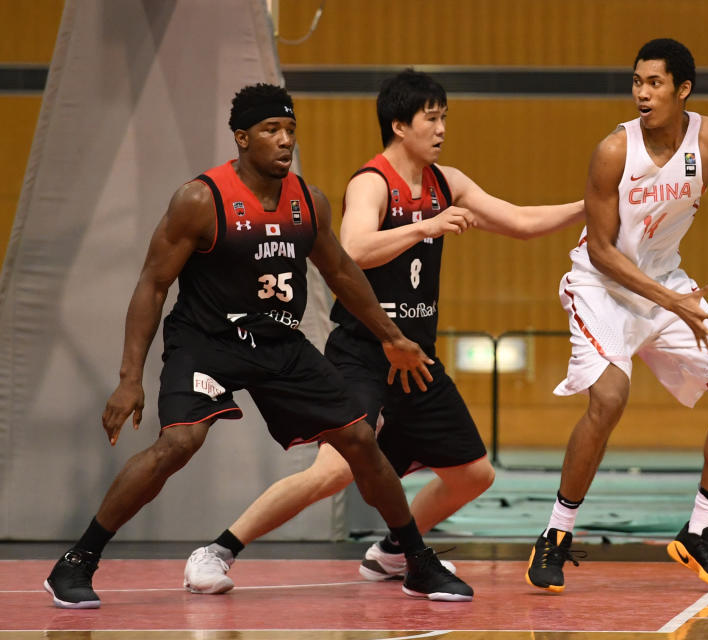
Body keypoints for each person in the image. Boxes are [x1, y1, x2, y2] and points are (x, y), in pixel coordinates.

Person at [43, 83, 473, 608]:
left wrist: (393, 338)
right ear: (242, 138)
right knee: (178, 444)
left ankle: (415, 561)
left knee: (360, 439)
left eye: (290, 130)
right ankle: (79, 560)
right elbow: (153, 285)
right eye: (272, 130)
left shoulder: (307, 201)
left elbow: (341, 271)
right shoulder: (201, 199)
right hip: (208, 342)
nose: (285, 140)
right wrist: (130, 377)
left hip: (278, 342)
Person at [181, 70, 585, 594]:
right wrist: (424, 227)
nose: (441, 130)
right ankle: (216, 552)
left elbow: (521, 221)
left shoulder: (448, 181)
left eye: (444, 119)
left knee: (474, 475)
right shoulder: (371, 183)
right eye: (431, 119)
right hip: (365, 354)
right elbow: (353, 250)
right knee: (332, 473)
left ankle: (394, 551)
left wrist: (590, 208)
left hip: (416, 358)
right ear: (399, 125)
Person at [524, 38, 708, 596]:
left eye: (654, 83)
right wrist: (673, 303)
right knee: (610, 398)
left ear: (682, 89)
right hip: (602, 287)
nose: (642, 93)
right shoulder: (613, 151)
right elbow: (600, 250)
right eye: (637, 82)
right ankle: (556, 534)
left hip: (666, 285)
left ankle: (698, 532)